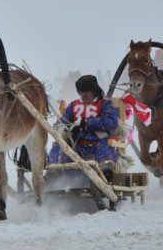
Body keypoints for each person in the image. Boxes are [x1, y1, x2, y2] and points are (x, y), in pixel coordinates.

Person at [48, 75, 119, 211]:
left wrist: (86, 123)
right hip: (77, 144)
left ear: (94, 90)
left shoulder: (105, 104)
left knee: (104, 154)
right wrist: (63, 128)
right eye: (81, 92)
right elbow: (61, 122)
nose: (83, 95)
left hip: (98, 143)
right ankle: (54, 173)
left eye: (86, 91)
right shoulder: (73, 105)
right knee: (60, 149)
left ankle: (104, 177)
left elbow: (111, 122)